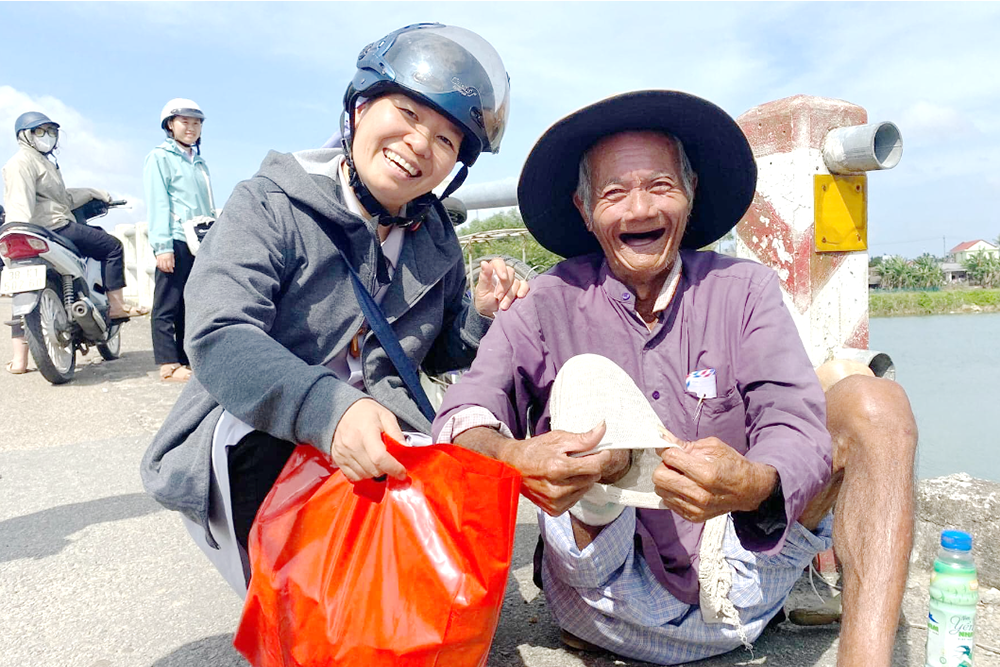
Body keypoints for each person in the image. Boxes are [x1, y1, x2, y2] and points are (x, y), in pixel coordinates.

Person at [432, 90, 917, 666]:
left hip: (737, 582)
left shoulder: (745, 290)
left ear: (689, 198)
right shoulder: (546, 301)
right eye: (614, 193)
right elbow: (464, 411)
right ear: (586, 213)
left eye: (661, 186)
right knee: (589, 400)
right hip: (601, 599)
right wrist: (513, 457)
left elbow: (794, 418)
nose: (639, 211)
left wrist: (756, 482)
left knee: (874, 404)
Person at [140, 23, 526, 591]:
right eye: (409, 113)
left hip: (388, 439)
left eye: (447, 140)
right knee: (311, 606)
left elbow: (440, 353)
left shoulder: (436, 236)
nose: (421, 144)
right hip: (264, 430)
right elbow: (220, 334)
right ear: (359, 109)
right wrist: (330, 410)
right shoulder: (269, 203)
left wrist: (479, 316)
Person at [2, 111, 144, 375]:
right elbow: (20, 201)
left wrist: (94, 193)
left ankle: (20, 360)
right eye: (39, 131)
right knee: (112, 246)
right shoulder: (23, 162)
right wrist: (21, 226)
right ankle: (115, 306)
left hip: (33, 233)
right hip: (54, 228)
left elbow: (62, 198)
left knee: (23, 291)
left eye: (50, 132)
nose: (47, 137)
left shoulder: (43, 162)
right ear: (25, 136)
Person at [143, 98, 217, 383]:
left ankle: (188, 358)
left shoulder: (199, 162)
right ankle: (168, 363)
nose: (192, 128)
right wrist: (162, 246)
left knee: (191, 301)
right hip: (174, 237)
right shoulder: (159, 157)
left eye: (196, 122)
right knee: (168, 301)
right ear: (170, 125)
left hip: (199, 239)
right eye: (185, 122)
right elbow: (158, 202)